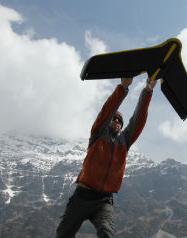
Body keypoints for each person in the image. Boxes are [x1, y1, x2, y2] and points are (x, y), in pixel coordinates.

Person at [55, 77, 157, 238]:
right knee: (63, 234)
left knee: (106, 232)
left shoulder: (125, 141)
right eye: (114, 119)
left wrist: (148, 91)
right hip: (82, 196)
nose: (116, 121)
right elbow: (107, 110)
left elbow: (138, 119)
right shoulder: (98, 133)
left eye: (119, 121)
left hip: (104, 201)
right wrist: (123, 88)